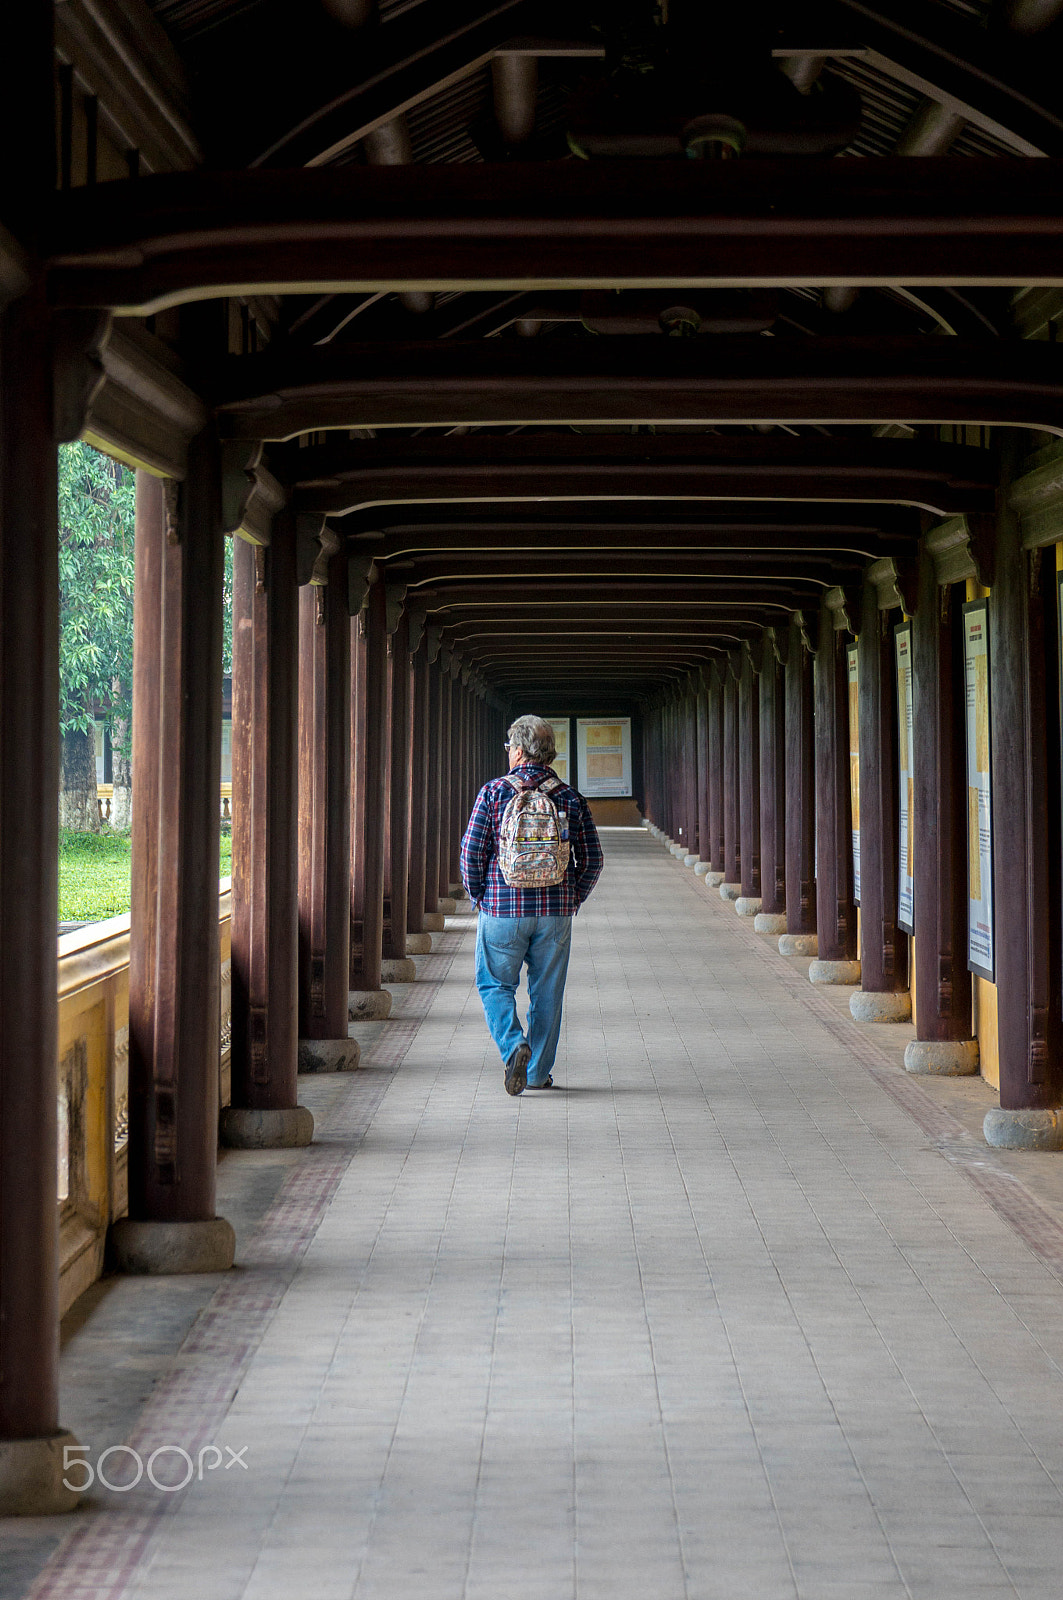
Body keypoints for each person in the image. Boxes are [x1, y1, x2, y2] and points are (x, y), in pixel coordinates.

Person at [461, 714, 604, 1096]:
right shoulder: (570, 797)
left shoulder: (493, 792)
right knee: (547, 993)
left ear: (520, 750)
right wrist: (572, 897)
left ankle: (513, 1047)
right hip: (555, 911)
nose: (508, 753)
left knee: (493, 983)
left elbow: (472, 851)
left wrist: (479, 895)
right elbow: (593, 859)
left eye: (509, 747)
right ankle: (538, 1072)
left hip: (502, 909)